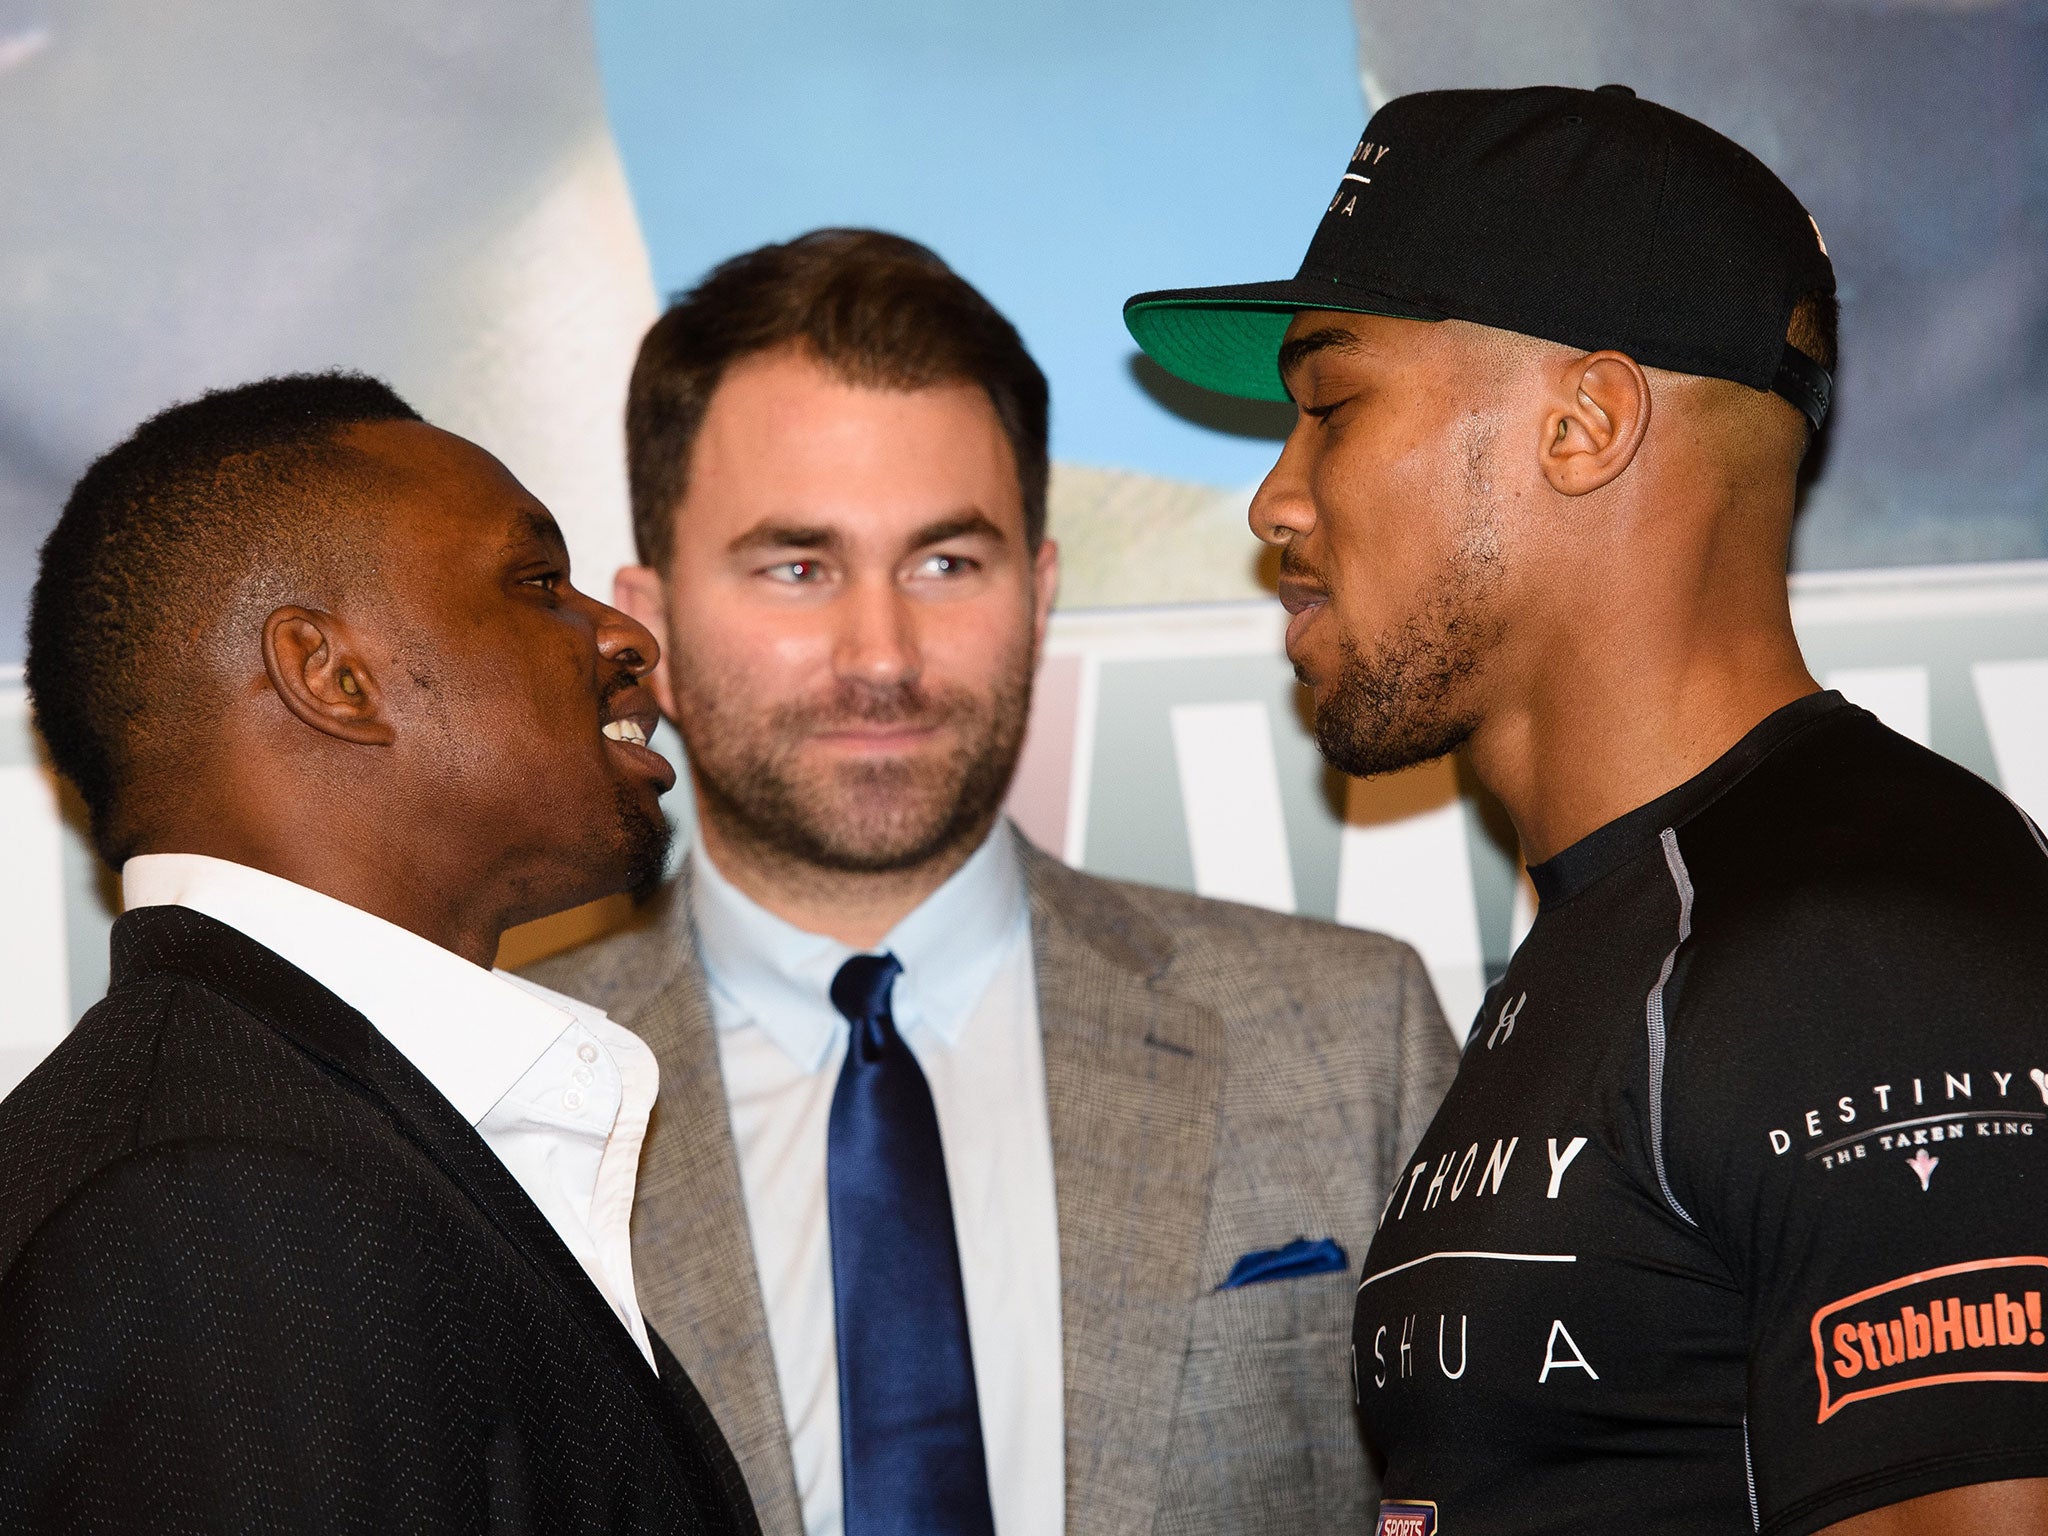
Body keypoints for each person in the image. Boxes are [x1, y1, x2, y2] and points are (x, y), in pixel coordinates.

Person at [1122, 84, 2048, 1535]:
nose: (1274, 503)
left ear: (1584, 423)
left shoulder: (1864, 940)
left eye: (1329, 407)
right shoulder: (1639, 924)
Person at [524, 228, 1460, 1536]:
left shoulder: (1348, 1040)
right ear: (653, 624)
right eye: (797, 566)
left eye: (947, 563)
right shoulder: (496, 1104)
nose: (883, 652)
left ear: (1040, 593)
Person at [1, 374, 760, 1535]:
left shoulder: (275, 1142)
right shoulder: (228, 1211)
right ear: (331, 676)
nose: (623, 636)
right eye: (538, 583)